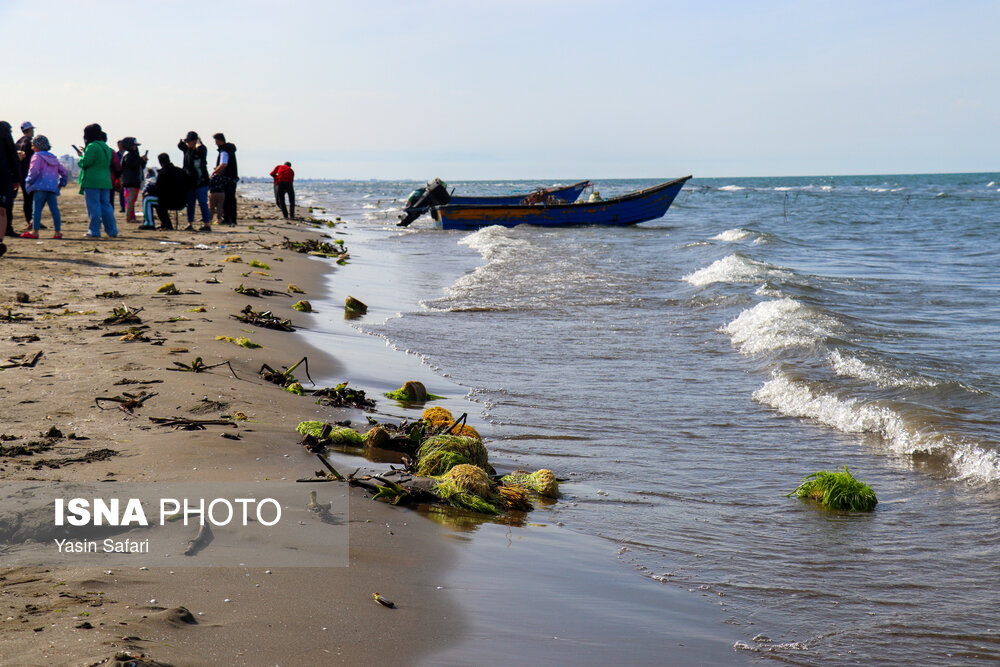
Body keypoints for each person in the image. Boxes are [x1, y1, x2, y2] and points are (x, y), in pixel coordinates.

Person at [21, 135, 68, 239]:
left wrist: (28, 182)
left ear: (37, 146)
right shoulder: (53, 157)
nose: (32, 148)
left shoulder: (36, 156)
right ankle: (57, 232)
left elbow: (34, 171)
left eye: (33, 145)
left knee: (36, 209)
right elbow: (64, 172)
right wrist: (61, 184)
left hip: (39, 187)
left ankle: (35, 231)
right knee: (54, 209)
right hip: (52, 187)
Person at [78, 123, 117, 238]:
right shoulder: (106, 147)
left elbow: (85, 162)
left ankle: (94, 230)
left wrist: (81, 156)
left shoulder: (92, 146)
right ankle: (112, 230)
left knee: (94, 206)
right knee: (106, 206)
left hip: (92, 180)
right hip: (105, 180)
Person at [178, 131, 210, 231]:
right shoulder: (187, 150)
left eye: (190, 141)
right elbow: (180, 145)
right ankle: (190, 223)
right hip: (190, 182)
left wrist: (197, 142)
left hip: (201, 182)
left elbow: (201, 147)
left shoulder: (201, 150)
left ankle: (207, 224)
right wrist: (185, 141)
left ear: (195, 141)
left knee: (202, 203)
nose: (188, 143)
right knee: (190, 204)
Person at [151, 153, 191, 230]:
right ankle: (165, 224)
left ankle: (164, 224)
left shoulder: (163, 174)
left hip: (168, 202)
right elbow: (188, 184)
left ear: (160, 162)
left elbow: (158, 189)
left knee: (156, 203)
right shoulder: (180, 171)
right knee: (161, 203)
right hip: (182, 201)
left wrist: (149, 190)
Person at [0, 121, 21, 256]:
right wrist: (16, 178)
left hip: (3, 176)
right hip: (3, 176)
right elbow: (12, 155)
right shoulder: (3, 130)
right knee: (1, 210)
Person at [211, 133, 238, 225]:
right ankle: (232, 218)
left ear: (219, 140)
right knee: (231, 199)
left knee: (226, 199)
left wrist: (214, 173)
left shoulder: (224, 151)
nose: (215, 143)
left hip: (227, 178)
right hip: (233, 177)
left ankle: (227, 218)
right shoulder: (230, 150)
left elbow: (223, 164)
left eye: (215, 141)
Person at [119, 137, 146, 223]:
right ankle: (129, 218)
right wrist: (141, 160)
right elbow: (132, 165)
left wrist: (143, 161)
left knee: (132, 201)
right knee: (130, 201)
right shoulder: (128, 155)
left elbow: (139, 166)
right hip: (129, 182)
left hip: (133, 181)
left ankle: (132, 217)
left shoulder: (133, 155)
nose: (135, 147)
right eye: (134, 145)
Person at [14, 121, 35, 231]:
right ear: (30, 130)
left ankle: (30, 220)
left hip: (18, 173)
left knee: (23, 199)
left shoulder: (18, 142)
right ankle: (31, 221)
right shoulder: (29, 143)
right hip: (28, 174)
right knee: (29, 199)